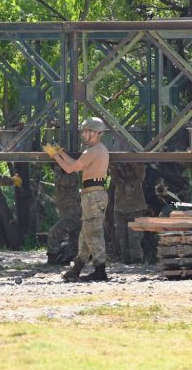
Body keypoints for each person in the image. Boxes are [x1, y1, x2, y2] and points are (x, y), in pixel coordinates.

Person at [44, 117, 111, 282]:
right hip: (93, 193)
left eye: (86, 131)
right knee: (86, 233)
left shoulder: (93, 151)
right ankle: (78, 267)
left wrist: (55, 156)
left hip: (93, 195)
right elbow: (76, 163)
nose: (83, 134)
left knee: (93, 233)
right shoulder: (96, 150)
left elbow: (70, 168)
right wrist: (60, 153)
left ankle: (100, 270)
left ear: (96, 133)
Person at [108, 163, 147, 264]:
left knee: (134, 237)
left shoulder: (137, 176)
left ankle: (137, 260)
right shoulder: (118, 177)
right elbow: (112, 170)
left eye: (128, 169)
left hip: (135, 210)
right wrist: (116, 163)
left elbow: (140, 166)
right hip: (120, 210)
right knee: (122, 237)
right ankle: (126, 260)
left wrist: (132, 160)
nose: (126, 172)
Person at [46, 165, 82, 265]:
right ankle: (65, 259)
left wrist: (57, 168)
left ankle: (52, 259)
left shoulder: (72, 175)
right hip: (67, 214)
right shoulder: (62, 173)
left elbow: (63, 180)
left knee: (53, 232)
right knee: (73, 241)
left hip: (73, 215)